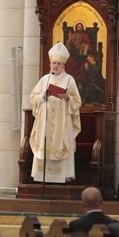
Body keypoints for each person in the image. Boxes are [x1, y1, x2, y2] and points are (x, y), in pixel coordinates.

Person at [29, 42, 82, 183]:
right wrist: (43, 96)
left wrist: (66, 98)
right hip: (44, 122)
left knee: (61, 143)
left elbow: (77, 102)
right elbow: (33, 98)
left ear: (64, 65)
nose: (56, 66)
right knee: (45, 144)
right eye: (53, 63)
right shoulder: (44, 80)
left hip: (62, 121)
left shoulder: (69, 80)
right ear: (50, 64)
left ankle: (62, 177)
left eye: (58, 63)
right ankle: (42, 177)